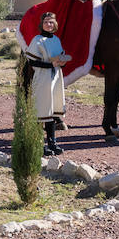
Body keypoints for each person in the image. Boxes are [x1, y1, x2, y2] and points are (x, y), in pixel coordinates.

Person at [27, 11, 71, 155]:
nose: (48, 24)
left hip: (55, 78)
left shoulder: (56, 40)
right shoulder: (37, 40)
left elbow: (59, 59)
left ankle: (52, 143)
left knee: (51, 112)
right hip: (42, 78)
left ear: (55, 24)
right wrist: (51, 66)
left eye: (51, 22)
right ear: (42, 24)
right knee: (42, 111)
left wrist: (62, 63)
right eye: (46, 22)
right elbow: (32, 61)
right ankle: (39, 145)